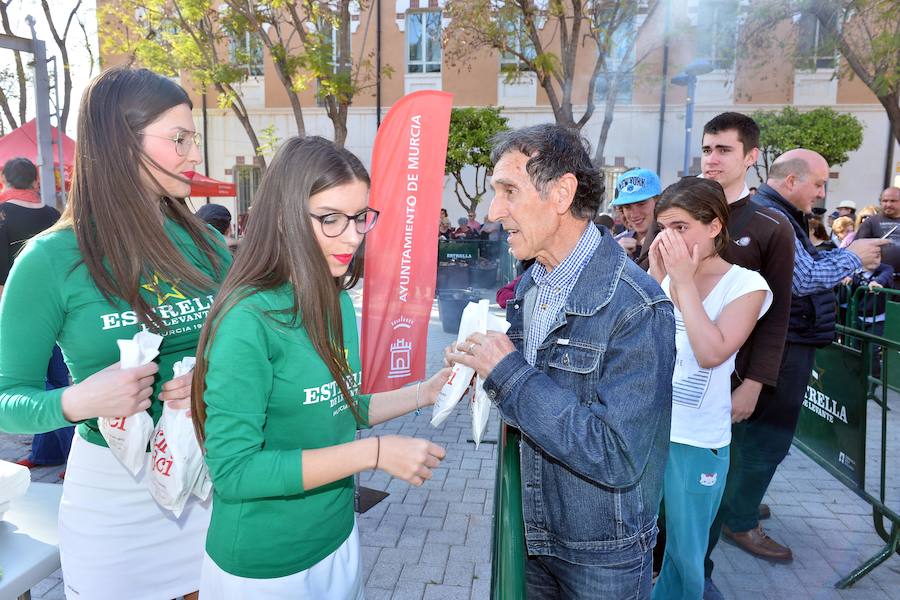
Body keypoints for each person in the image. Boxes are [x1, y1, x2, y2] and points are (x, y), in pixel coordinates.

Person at [0, 67, 232, 600]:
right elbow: (7, 399)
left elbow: (250, 349)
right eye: (179, 138)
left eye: (192, 137)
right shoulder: (49, 259)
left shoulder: (207, 243)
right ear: (121, 144)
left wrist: (215, 377)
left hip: (212, 485)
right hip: (115, 505)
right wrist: (79, 399)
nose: (194, 153)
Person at [192, 136, 448, 598]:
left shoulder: (336, 299)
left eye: (360, 217)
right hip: (266, 566)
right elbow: (234, 472)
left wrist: (426, 392)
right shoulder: (248, 319)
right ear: (283, 217)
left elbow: (339, 406)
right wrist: (373, 454)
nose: (352, 236)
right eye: (330, 219)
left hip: (337, 537)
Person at [449, 124, 674, 598]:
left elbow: (618, 455)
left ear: (562, 193)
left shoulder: (637, 306)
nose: (493, 212)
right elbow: (537, 394)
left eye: (509, 191)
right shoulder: (533, 283)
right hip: (535, 532)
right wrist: (483, 373)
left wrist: (508, 374)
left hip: (602, 554)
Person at [721, 149, 886, 564]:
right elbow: (804, 280)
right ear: (791, 181)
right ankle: (739, 519)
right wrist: (853, 256)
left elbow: (805, 266)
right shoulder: (774, 215)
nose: (822, 192)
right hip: (783, 347)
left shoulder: (774, 213)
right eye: (818, 183)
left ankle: (738, 502)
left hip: (781, 343)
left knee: (753, 436)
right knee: (767, 439)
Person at [648, 177, 772, 600]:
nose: (670, 239)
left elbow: (710, 352)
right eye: (664, 228)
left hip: (697, 439)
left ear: (715, 226)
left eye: (681, 227)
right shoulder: (664, 277)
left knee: (686, 556)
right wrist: (656, 279)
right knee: (637, 542)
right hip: (647, 430)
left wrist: (681, 283)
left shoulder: (746, 285)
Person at [695, 112, 796, 599]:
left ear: (751, 157)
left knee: (711, 486)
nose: (712, 159)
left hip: (729, 383)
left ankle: (699, 572)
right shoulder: (682, 209)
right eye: (706, 149)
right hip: (675, 376)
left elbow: (778, 317)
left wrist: (755, 383)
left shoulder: (772, 226)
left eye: (724, 150)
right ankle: (655, 566)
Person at [0, 158, 74, 472]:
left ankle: (74, 452)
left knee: (39, 385)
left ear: (5, 180)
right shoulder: (53, 215)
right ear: (35, 181)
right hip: (60, 310)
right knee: (54, 379)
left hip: (22, 313)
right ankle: (48, 453)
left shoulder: (3, 215)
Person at [610, 167, 661, 269]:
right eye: (627, 207)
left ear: (658, 202)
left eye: (641, 204)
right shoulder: (615, 245)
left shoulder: (671, 243)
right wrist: (613, 260)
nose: (634, 214)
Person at [856, 187, 900, 285]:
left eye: (893, 201)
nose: (888, 204)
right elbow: (857, 249)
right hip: (878, 281)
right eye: (885, 201)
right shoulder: (871, 222)